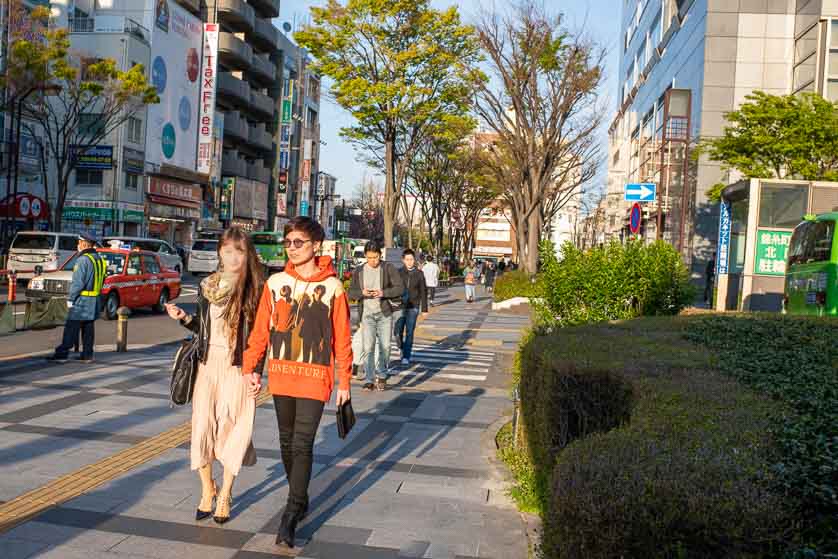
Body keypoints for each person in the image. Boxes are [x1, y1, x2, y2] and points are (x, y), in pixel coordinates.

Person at [241, 217, 352, 549]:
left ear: (316, 245)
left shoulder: (334, 288)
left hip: (316, 377)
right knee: (286, 442)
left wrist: (344, 381)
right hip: (282, 374)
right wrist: (251, 367)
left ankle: (290, 514)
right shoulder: (275, 283)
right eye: (288, 242)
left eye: (298, 242)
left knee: (303, 444)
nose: (292, 247)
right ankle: (299, 496)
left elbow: (342, 339)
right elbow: (261, 330)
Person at [164, 227, 264, 525]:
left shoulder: (256, 289)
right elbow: (203, 331)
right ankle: (208, 489)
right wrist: (184, 319)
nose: (233, 257)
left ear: (248, 254)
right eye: (228, 250)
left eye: (240, 251)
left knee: (236, 429)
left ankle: (226, 494)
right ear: (220, 252)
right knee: (202, 428)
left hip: (238, 368)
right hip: (208, 366)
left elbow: (261, 337)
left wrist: (256, 372)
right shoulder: (208, 286)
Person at [348, 241, 404, 392]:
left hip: (384, 313)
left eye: (376, 257)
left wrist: (383, 293)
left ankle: (382, 374)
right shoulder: (359, 271)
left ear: (380, 255)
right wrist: (362, 293)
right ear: (365, 256)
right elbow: (351, 293)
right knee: (368, 347)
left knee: (385, 346)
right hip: (366, 314)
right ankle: (369, 379)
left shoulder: (387, 268)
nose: (373, 261)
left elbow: (400, 288)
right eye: (370, 257)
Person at [48, 233, 106, 363]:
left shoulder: (83, 260)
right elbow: (103, 279)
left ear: (84, 244)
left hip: (82, 300)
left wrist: (71, 299)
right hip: (94, 299)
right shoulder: (99, 259)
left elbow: (78, 283)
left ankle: (62, 354)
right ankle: (87, 355)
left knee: (71, 328)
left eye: (79, 243)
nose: (77, 245)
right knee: (88, 329)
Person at [395, 249, 428, 365]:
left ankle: (406, 356)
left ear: (415, 260)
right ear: (403, 260)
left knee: (409, 332)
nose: (409, 262)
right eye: (407, 260)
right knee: (397, 332)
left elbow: (424, 291)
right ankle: (401, 348)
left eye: (412, 260)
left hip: (413, 306)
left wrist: (424, 309)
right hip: (400, 306)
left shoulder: (419, 274)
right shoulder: (398, 272)